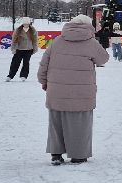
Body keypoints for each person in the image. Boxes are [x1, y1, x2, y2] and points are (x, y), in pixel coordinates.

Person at [37, 13, 109, 165]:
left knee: (56, 123)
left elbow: (44, 63)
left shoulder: (57, 41)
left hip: (56, 90)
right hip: (81, 92)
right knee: (80, 124)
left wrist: (43, 81)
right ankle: (78, 155)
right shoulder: (91, 42)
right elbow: (103, 59)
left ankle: (56, 154)